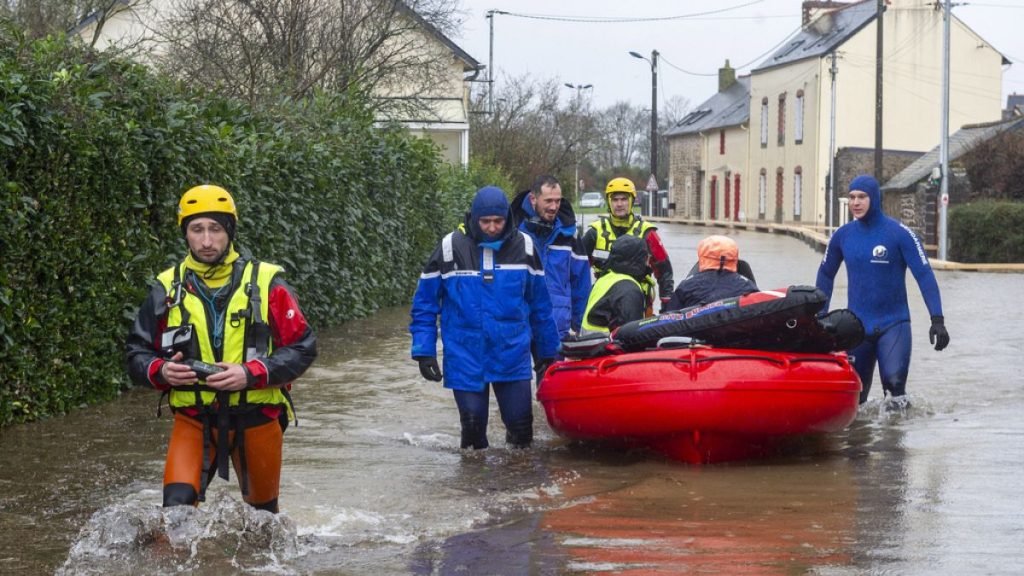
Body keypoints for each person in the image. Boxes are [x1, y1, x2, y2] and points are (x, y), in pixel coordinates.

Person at [126, 184, 317, 513]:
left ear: (229, 230)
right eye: (196, 229)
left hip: (258, 418)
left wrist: (250, 373)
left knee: (263, 523)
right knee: (175, 514)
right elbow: (136, 354)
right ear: (185, 233)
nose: (206, 241)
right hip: (194, 419)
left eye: (215, 229)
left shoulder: (268, 283)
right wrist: (160, 370)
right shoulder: (165, 287)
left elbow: (303, 347)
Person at [409, 186, 559, 449]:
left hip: (512, 354)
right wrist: (424, 350)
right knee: (473, 432)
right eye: (485, 221)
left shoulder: (524, 247)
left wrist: (547, 356)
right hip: (465, 355)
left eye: (498, 221)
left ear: (507, 219)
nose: (492, 228)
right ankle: (473, 487)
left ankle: (517, 485)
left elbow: (540, 307)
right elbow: (424, 304)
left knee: (522, 433)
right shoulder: (449, 248)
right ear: (474, 218)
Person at [816, 174, 950, 405]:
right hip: (857, 328)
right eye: (852, 197)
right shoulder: (842, 236)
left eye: (862, 197)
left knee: (894, 386)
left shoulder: (900, 234)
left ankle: (894, 439)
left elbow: (924, 275)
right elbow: (826, 274)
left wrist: (937, 319)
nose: (855, 203)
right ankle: (859, 440)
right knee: (856, 397)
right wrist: (818, 318)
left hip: (894, 324)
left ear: (875, 199)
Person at [511, 175, 591, 343]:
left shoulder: (569, 235)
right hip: (519, 328)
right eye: (548, 201)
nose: (554, 207)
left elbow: (581, 284)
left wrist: (580, 327)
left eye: (558, 201)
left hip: (557, 328)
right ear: (533, 199)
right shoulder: (512, 232)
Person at [581, 177, 674, 313]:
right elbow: (578, 269)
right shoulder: (595, 232)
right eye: (615, 199)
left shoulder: (647, 233)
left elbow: (664, 271)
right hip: (603, 300)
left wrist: (667, 306)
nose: (619, 204)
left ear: (631, 201)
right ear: (609, 202)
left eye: (624, 199)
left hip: (638, 301)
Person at [666, 235, 759, 311]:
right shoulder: (747, 286)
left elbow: (670, 315)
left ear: (702, 256)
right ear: (734, 257)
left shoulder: (686, 286)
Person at [581, 235, 650, 333]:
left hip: (588, 342)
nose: (648, 262)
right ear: (639, 259)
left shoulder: (606, 277)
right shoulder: (630, 290)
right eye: (646, 257)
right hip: (606, 345)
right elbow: (632, 334)